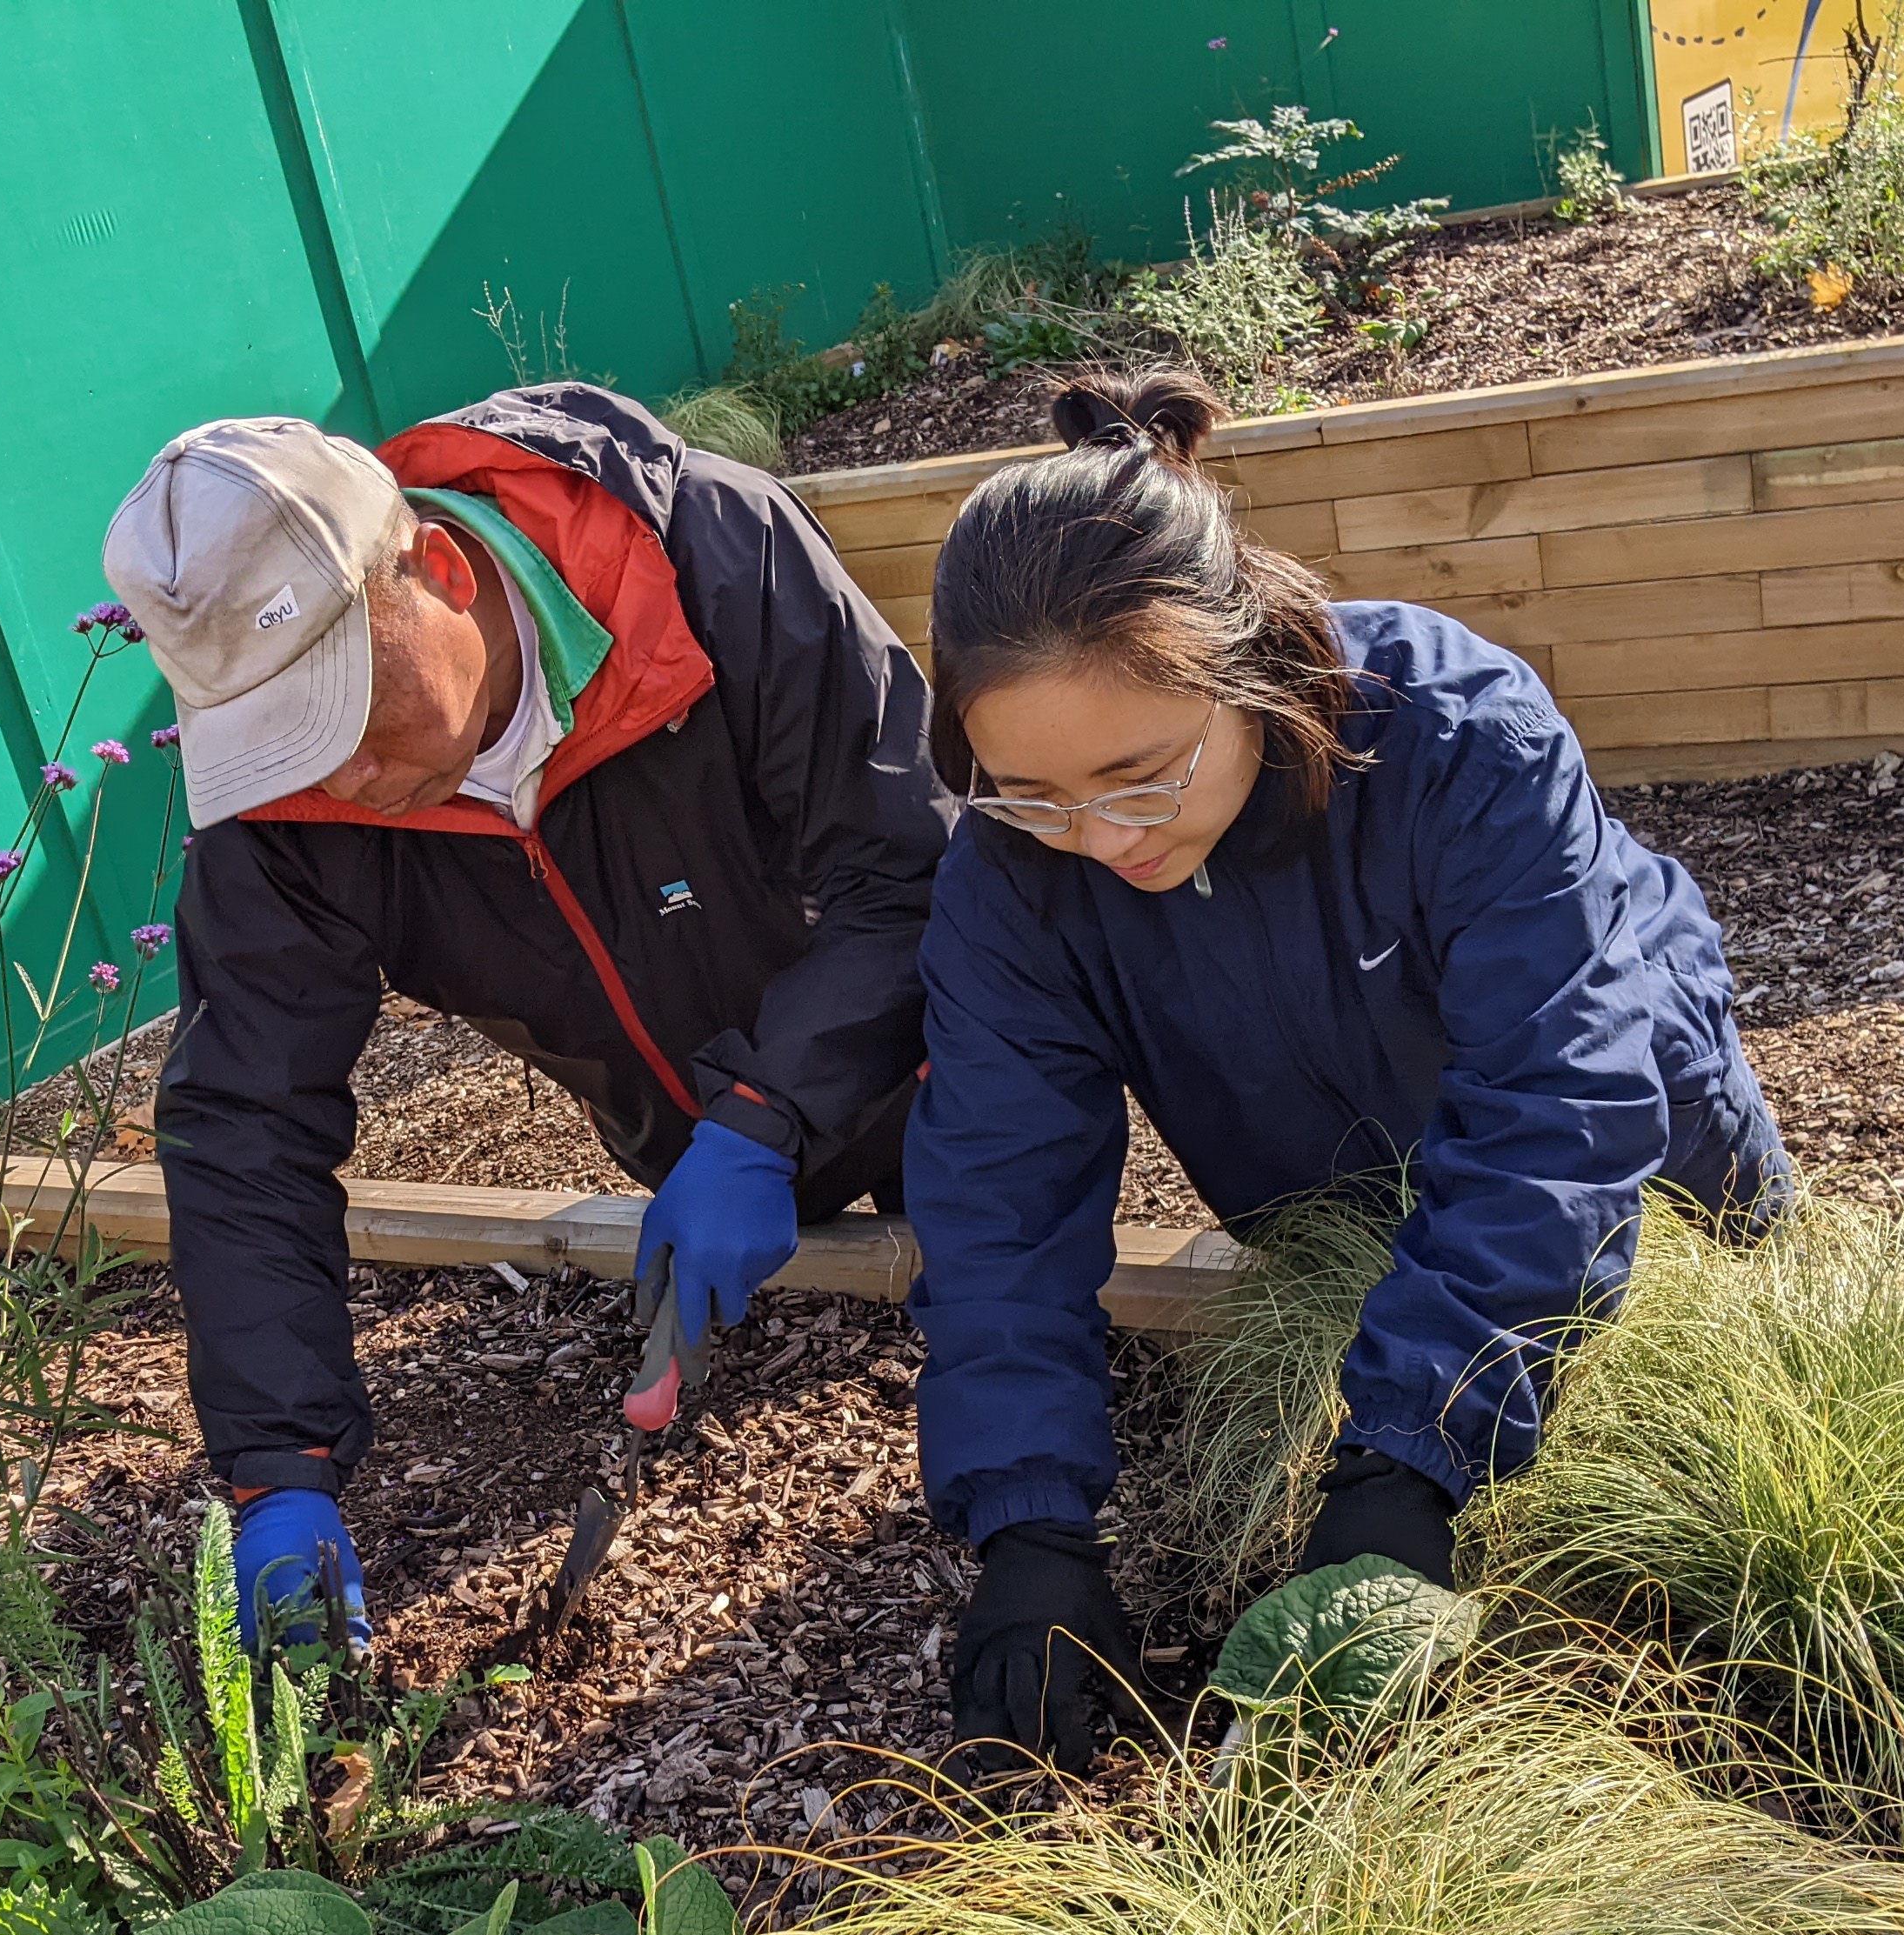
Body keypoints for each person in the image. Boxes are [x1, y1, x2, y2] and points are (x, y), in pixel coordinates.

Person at [906, 368, 1792, 1769]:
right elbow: (1000, 1197)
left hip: (1641, 1147)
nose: (1103, 838)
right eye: (1033, 792)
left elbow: (1563, 1094)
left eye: (1141, 773)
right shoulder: (1014, 877)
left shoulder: (1458, 739)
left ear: (1245, 667)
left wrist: (1408, 1452)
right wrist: (1029, 1527)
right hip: (1323, 1191)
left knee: (1738, 1454)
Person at [103, 385, 949, 1641]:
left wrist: (773, 1113)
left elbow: (907, 878)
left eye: (339, 716)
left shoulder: (711, 562)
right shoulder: (293, 818)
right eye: (280, 742)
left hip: (936, 1061)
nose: (340, 780)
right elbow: (247, 1128)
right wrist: (277, 1466)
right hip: (690, 1142)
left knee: (1001, 1300)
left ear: (436, 567)